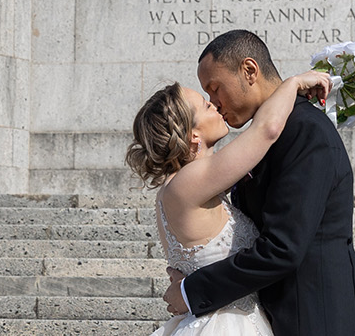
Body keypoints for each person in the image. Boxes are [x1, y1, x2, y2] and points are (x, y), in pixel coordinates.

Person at [162, 29, 355, 335]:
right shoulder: (261, 140)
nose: (215, 102)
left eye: (216, 88)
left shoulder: (304, 131)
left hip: (316, 318)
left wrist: (192, 290)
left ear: (249, 71)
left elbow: (282, 248)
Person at [127, 67, 330, 336]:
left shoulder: (183, 186)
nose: (213, 104)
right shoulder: (189, 182)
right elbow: (266, 130)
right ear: (193, 134)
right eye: (204, 104)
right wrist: (292, 84)